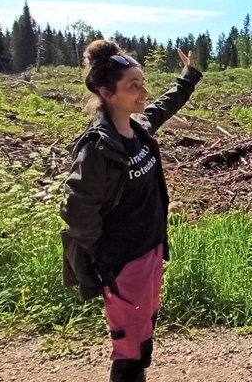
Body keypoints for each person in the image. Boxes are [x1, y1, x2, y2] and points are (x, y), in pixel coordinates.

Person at [60, 40, 201, 382]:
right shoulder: (97, 147)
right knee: (130, 349)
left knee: (143, 334)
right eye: (133, 85)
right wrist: (107, 256)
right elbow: (77, 209)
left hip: (151, 249)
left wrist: (189, 76)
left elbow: (165, 106)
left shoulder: (137, 129)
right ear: (107, 93)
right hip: (124, 260)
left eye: (142, 82)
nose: (143, 91)